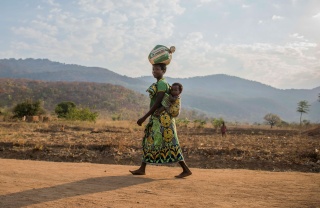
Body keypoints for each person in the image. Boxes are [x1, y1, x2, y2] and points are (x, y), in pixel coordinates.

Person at [129, 63, 192, 178]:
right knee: (149, 140)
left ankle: (185, 169)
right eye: (153, 69)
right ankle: (142, 168)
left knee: (170, 143)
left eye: (157, 69)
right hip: (158, 118)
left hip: (163, 119)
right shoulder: (160, 83)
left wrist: (144, 117)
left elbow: (158, 102)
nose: (154, 71)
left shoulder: (162, 84)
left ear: (163, 71)